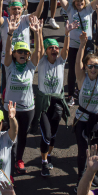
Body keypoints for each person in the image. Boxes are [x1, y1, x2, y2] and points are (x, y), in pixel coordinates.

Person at [32, 23, 75, 176]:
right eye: (51, 47)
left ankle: (48, 155)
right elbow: (38, 50)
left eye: (56, 48)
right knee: (47, 134)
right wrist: (38, 33)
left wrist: (67, 33)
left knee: (54, 134)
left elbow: (67, 50)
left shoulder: (60, 61)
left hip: (57, 102)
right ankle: (43, 162)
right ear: (46, 50)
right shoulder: (42, 61)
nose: (55, 50)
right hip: (44, 102)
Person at [2, 16, 41, 175]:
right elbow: (6, 51)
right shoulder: (9, 66)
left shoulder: (31, 66)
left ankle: (19, 159)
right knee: (10, 137)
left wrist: (37, 33)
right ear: (14, 54)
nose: (23, 54)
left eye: (25, 52)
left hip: (27, 109)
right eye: (19, 52)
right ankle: (8, 162)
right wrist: (10, 34)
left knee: (23, 135)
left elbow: (38, 51)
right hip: (10, 108)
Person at [73, 29, 98, 184]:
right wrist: (82, 45)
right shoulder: (82, 78)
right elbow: (76, 63)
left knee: (95, 150)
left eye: (96, 66)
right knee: (83, 151)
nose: (93, 69)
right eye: (90, 66)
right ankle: (81, 176)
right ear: (86, 67)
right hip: (83, 118)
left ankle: (92, 175)